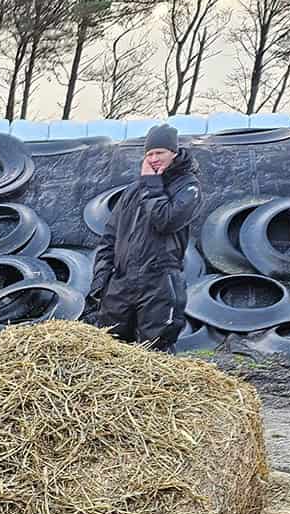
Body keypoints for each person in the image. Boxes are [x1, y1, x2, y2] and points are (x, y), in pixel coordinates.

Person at [84, 124, 202, 349]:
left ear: (174, 153)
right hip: (121, 283)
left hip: (160, 283)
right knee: (110, 350)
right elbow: (110, 236)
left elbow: (165, 220)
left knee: (155, 351)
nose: (154, 158)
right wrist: (102, 279)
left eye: (160, 152)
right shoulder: (132, 190)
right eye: (150, 154)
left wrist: (152, 184)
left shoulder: (188, 186)